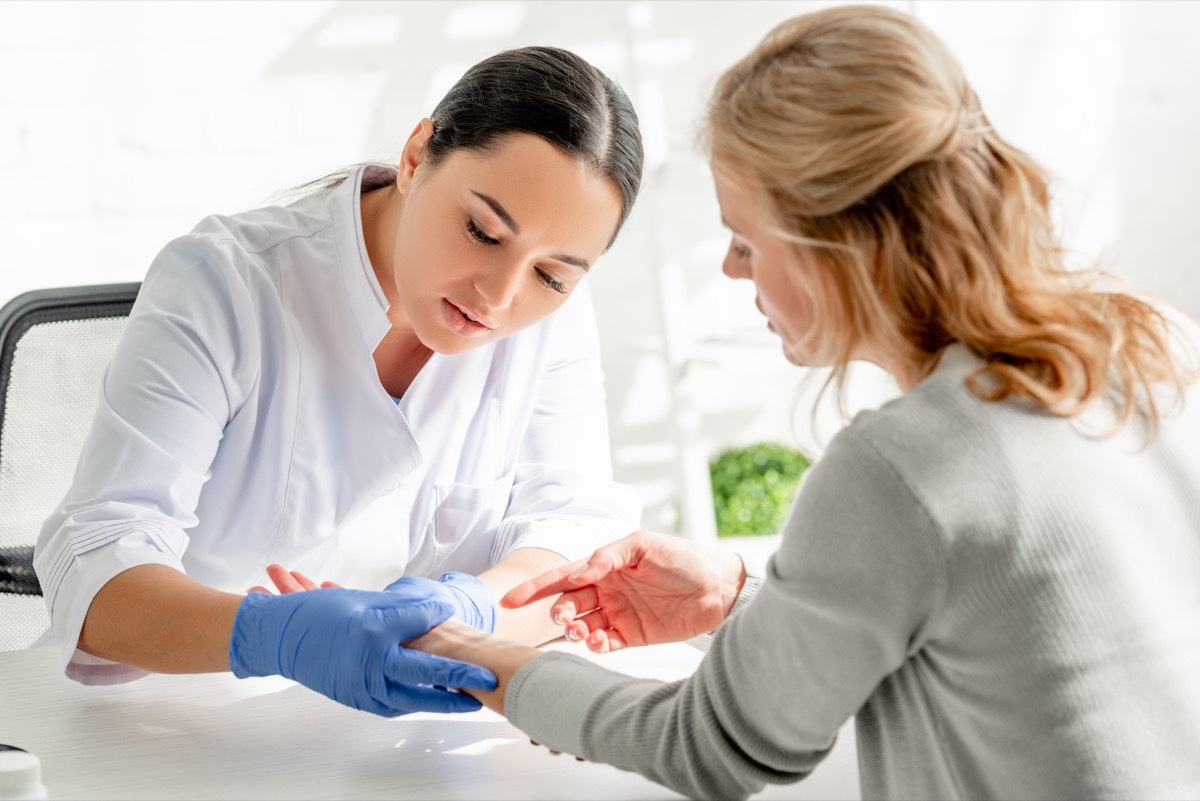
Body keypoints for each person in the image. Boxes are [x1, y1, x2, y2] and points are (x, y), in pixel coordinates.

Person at [383, 5, 1200, 798]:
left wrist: (468, 650)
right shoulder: (1156, 345)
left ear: (833, 246)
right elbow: (986, 620)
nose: (735, 273)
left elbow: (711, 746)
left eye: (745, 239)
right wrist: (733, 597)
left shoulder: (902, 467)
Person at [32, 46, 645, 717]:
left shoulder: (552, 319)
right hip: (181, 726)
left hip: (410, 745)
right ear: (416, 156)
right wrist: (270, 637)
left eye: (551, 275)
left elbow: (574, 527)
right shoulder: (224, 284)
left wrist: (470, 607)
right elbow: (94, 562)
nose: (500, 294)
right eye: (482, 230)